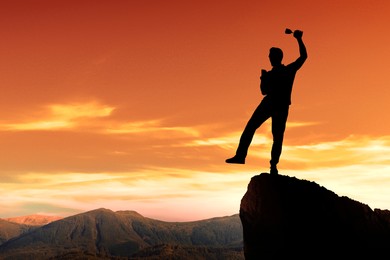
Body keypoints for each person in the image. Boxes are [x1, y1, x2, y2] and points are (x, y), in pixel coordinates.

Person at [226, 30, 307, 174]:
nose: (269, 58)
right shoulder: (275, 73)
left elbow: (303, 57)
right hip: (272, 103)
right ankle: (244, 157)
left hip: (276, 104)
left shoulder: (288, 70)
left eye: (271, 56)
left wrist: (299, 39)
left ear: (277, 57)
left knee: (275, 136)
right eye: (269, 56)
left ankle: (270, 165)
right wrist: (263, 78)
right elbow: (264, 91)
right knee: (256, 129)